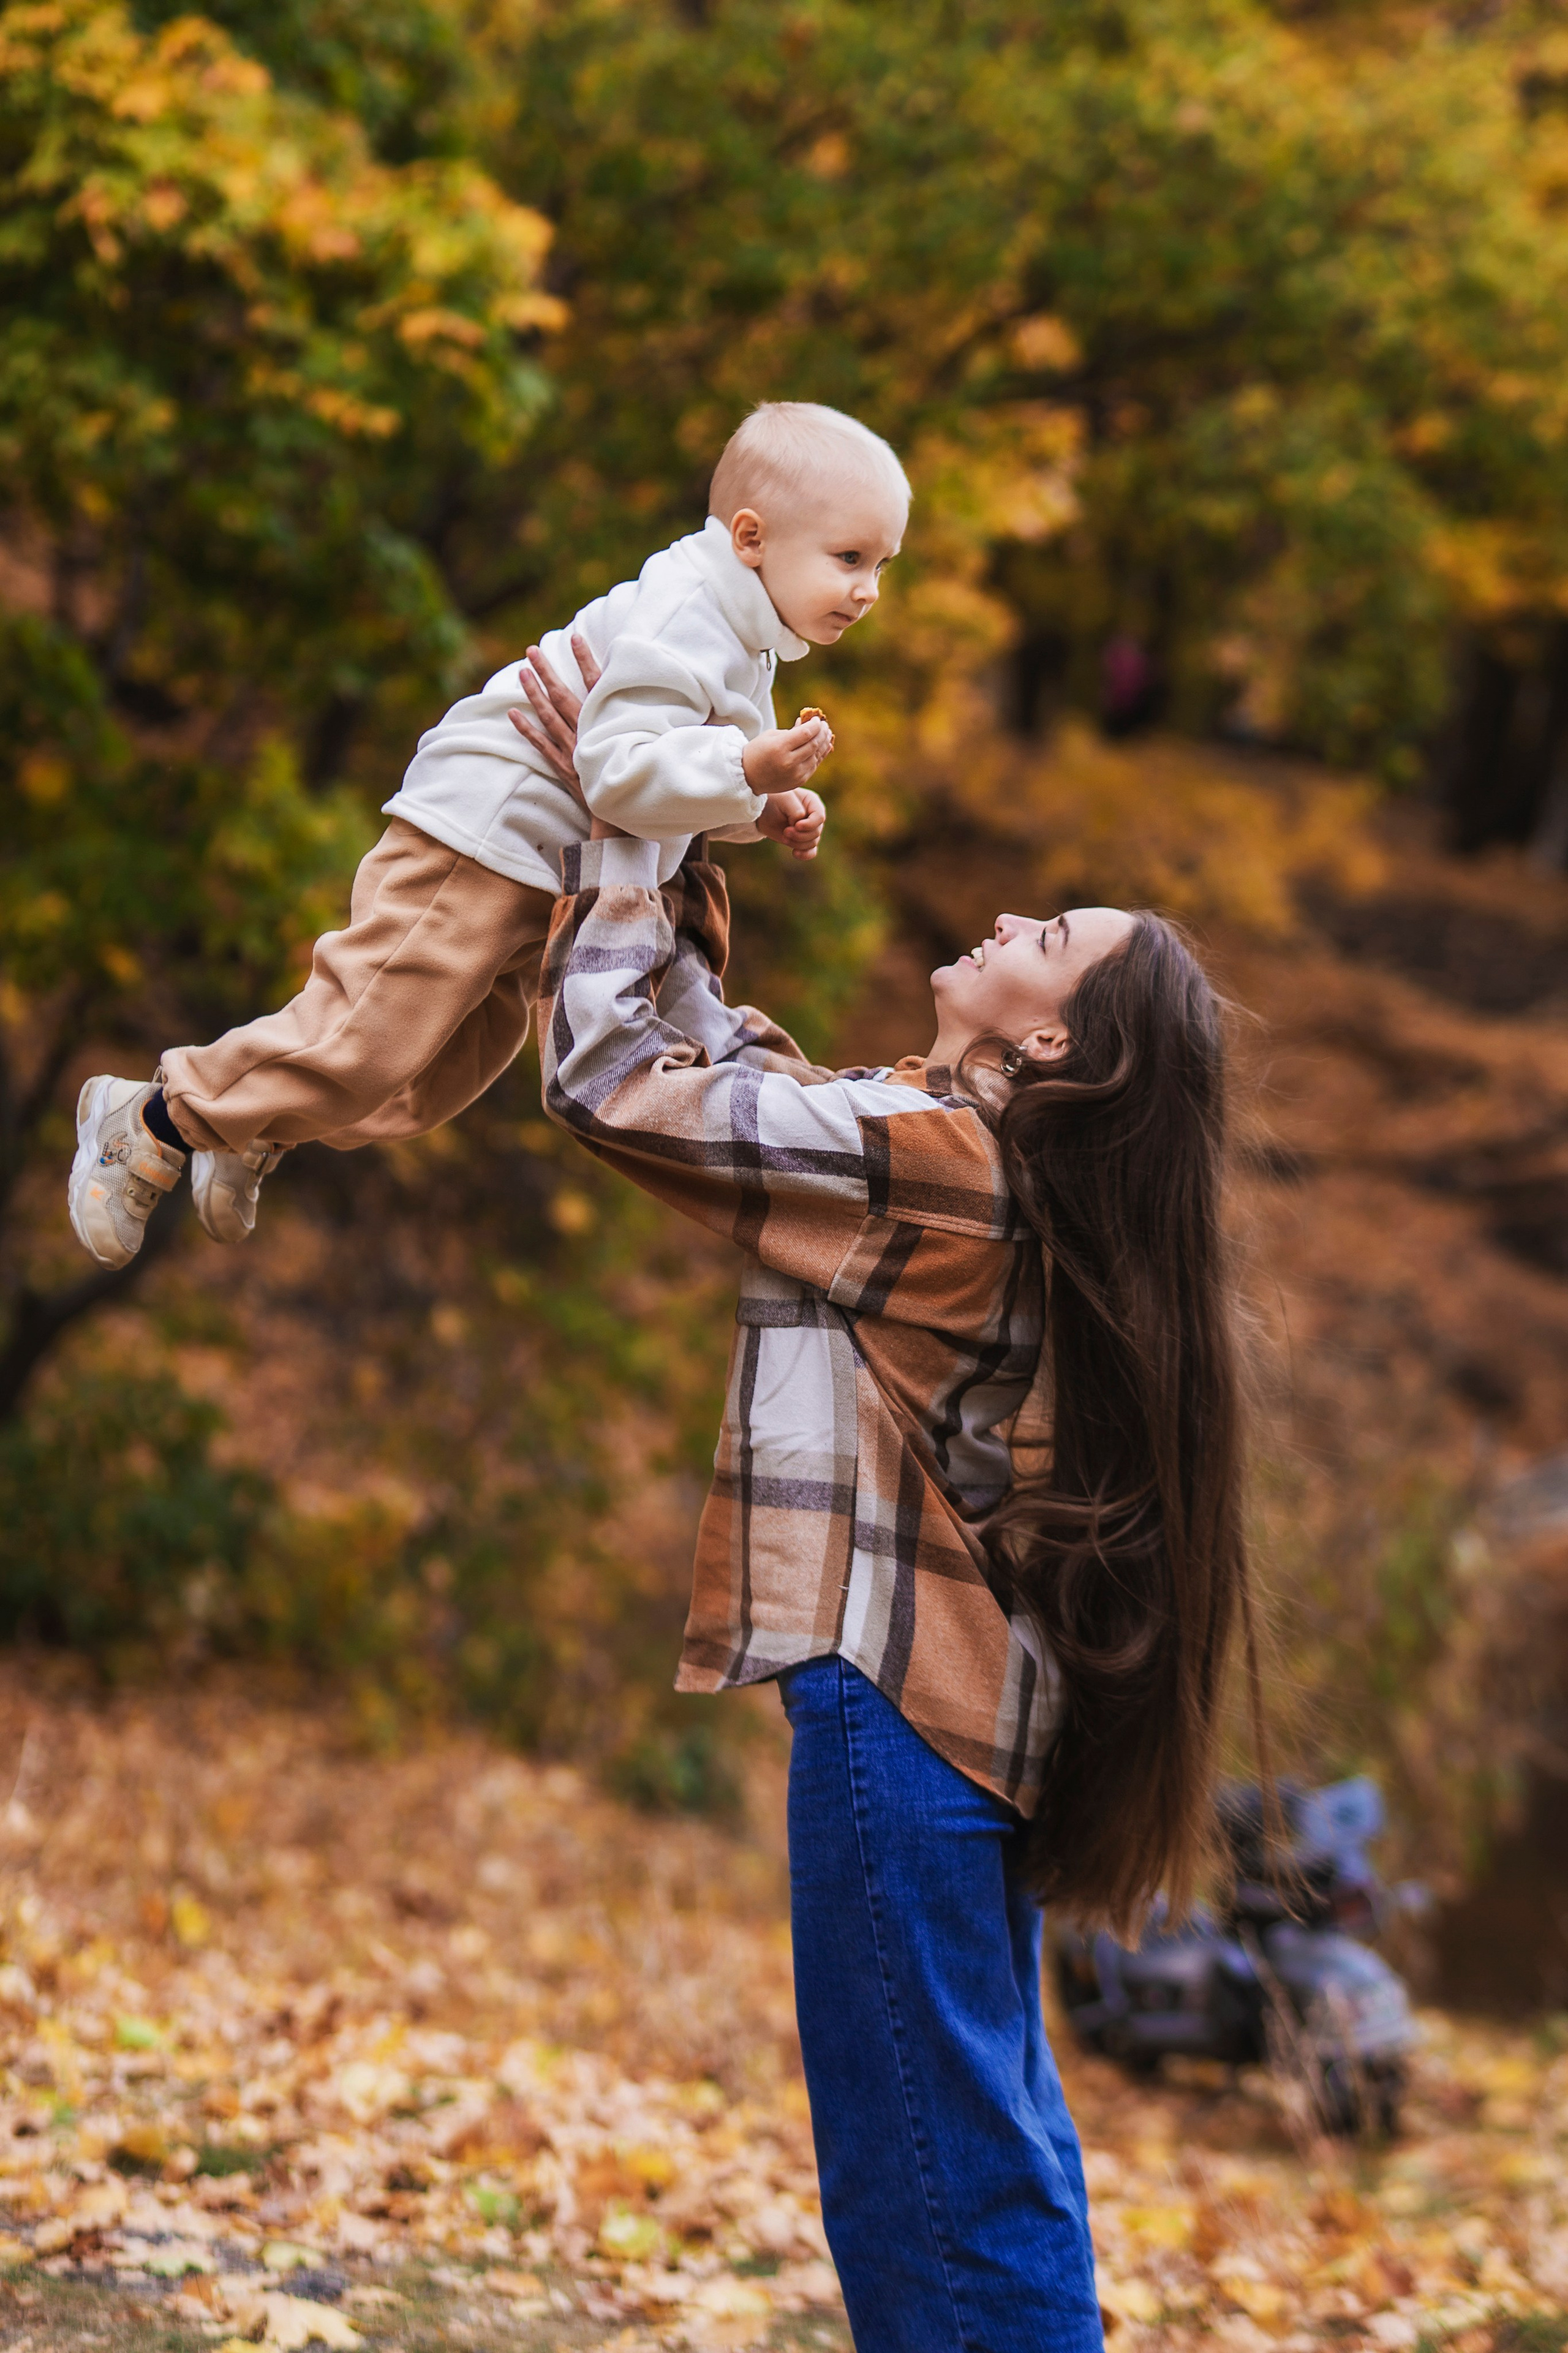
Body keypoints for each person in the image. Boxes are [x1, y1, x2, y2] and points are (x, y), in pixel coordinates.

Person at [528, 659, 1258, 2348]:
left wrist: (621, 823)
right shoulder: (940, 1139)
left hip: (900, 1721)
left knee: (929, 2181)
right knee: (975, 2153)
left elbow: (615, 1086)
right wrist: (680, 807)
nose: (1006, 918)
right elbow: (717, 1066)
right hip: (943, 1722)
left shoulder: (953, 1170)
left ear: (1057, 1036)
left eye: (1047, 937)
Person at [66, 401, 910, 1271]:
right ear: (751, 537)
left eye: (882, 565)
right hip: (484, 833)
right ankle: (152, 1119)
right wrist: (745, 767)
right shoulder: (689, 611)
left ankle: (250, 1124)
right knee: (363, 1039)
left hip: (550, 873)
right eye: (849, 559)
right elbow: (617, 767)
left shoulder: (752, 635)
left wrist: (758, 806)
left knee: (431, 1084)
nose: (868, 589)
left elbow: (668, 784)